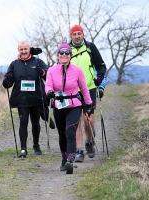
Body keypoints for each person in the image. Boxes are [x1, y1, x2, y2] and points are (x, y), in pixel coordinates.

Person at [45, 42, 92, 174]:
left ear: (70, 55)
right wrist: (49, 92)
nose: (64, 55)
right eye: (61, 53)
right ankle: (64, 158)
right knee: (62, 134)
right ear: (58, 55)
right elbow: (48, 85)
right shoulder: (51, 70)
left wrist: (88, 104)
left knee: (70, 132)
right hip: (59, 106)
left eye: (67, 53)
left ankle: (70, 161)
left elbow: (84, 88)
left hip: (74, 105)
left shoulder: (77, 70)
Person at [2, 40, 48, 158]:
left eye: (25, 49)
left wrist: (42, 73)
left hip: (36, 97)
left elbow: (49, 76)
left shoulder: (38, 61)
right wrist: (7, 82)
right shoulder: (14, 64)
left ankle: (36, 145)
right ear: (18, 50)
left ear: (29, 49)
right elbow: (9, 78)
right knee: (23, 122)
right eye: (21, 49)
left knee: (35, 123)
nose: (23, 51)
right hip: (21, 98)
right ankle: (23, 149)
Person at [69, 25, 107, 162]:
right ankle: (79, 150)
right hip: (72, 90)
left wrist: (99, 79)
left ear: (83, 34)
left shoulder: (91, 47)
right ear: (71, 35)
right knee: (76, 121)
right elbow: (60, 68)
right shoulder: (67, 50)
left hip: (89, 88)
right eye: (74, 34)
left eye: (79, 33)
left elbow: (101, 66)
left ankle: (89, 141)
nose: (77, 36)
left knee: (88, 120)